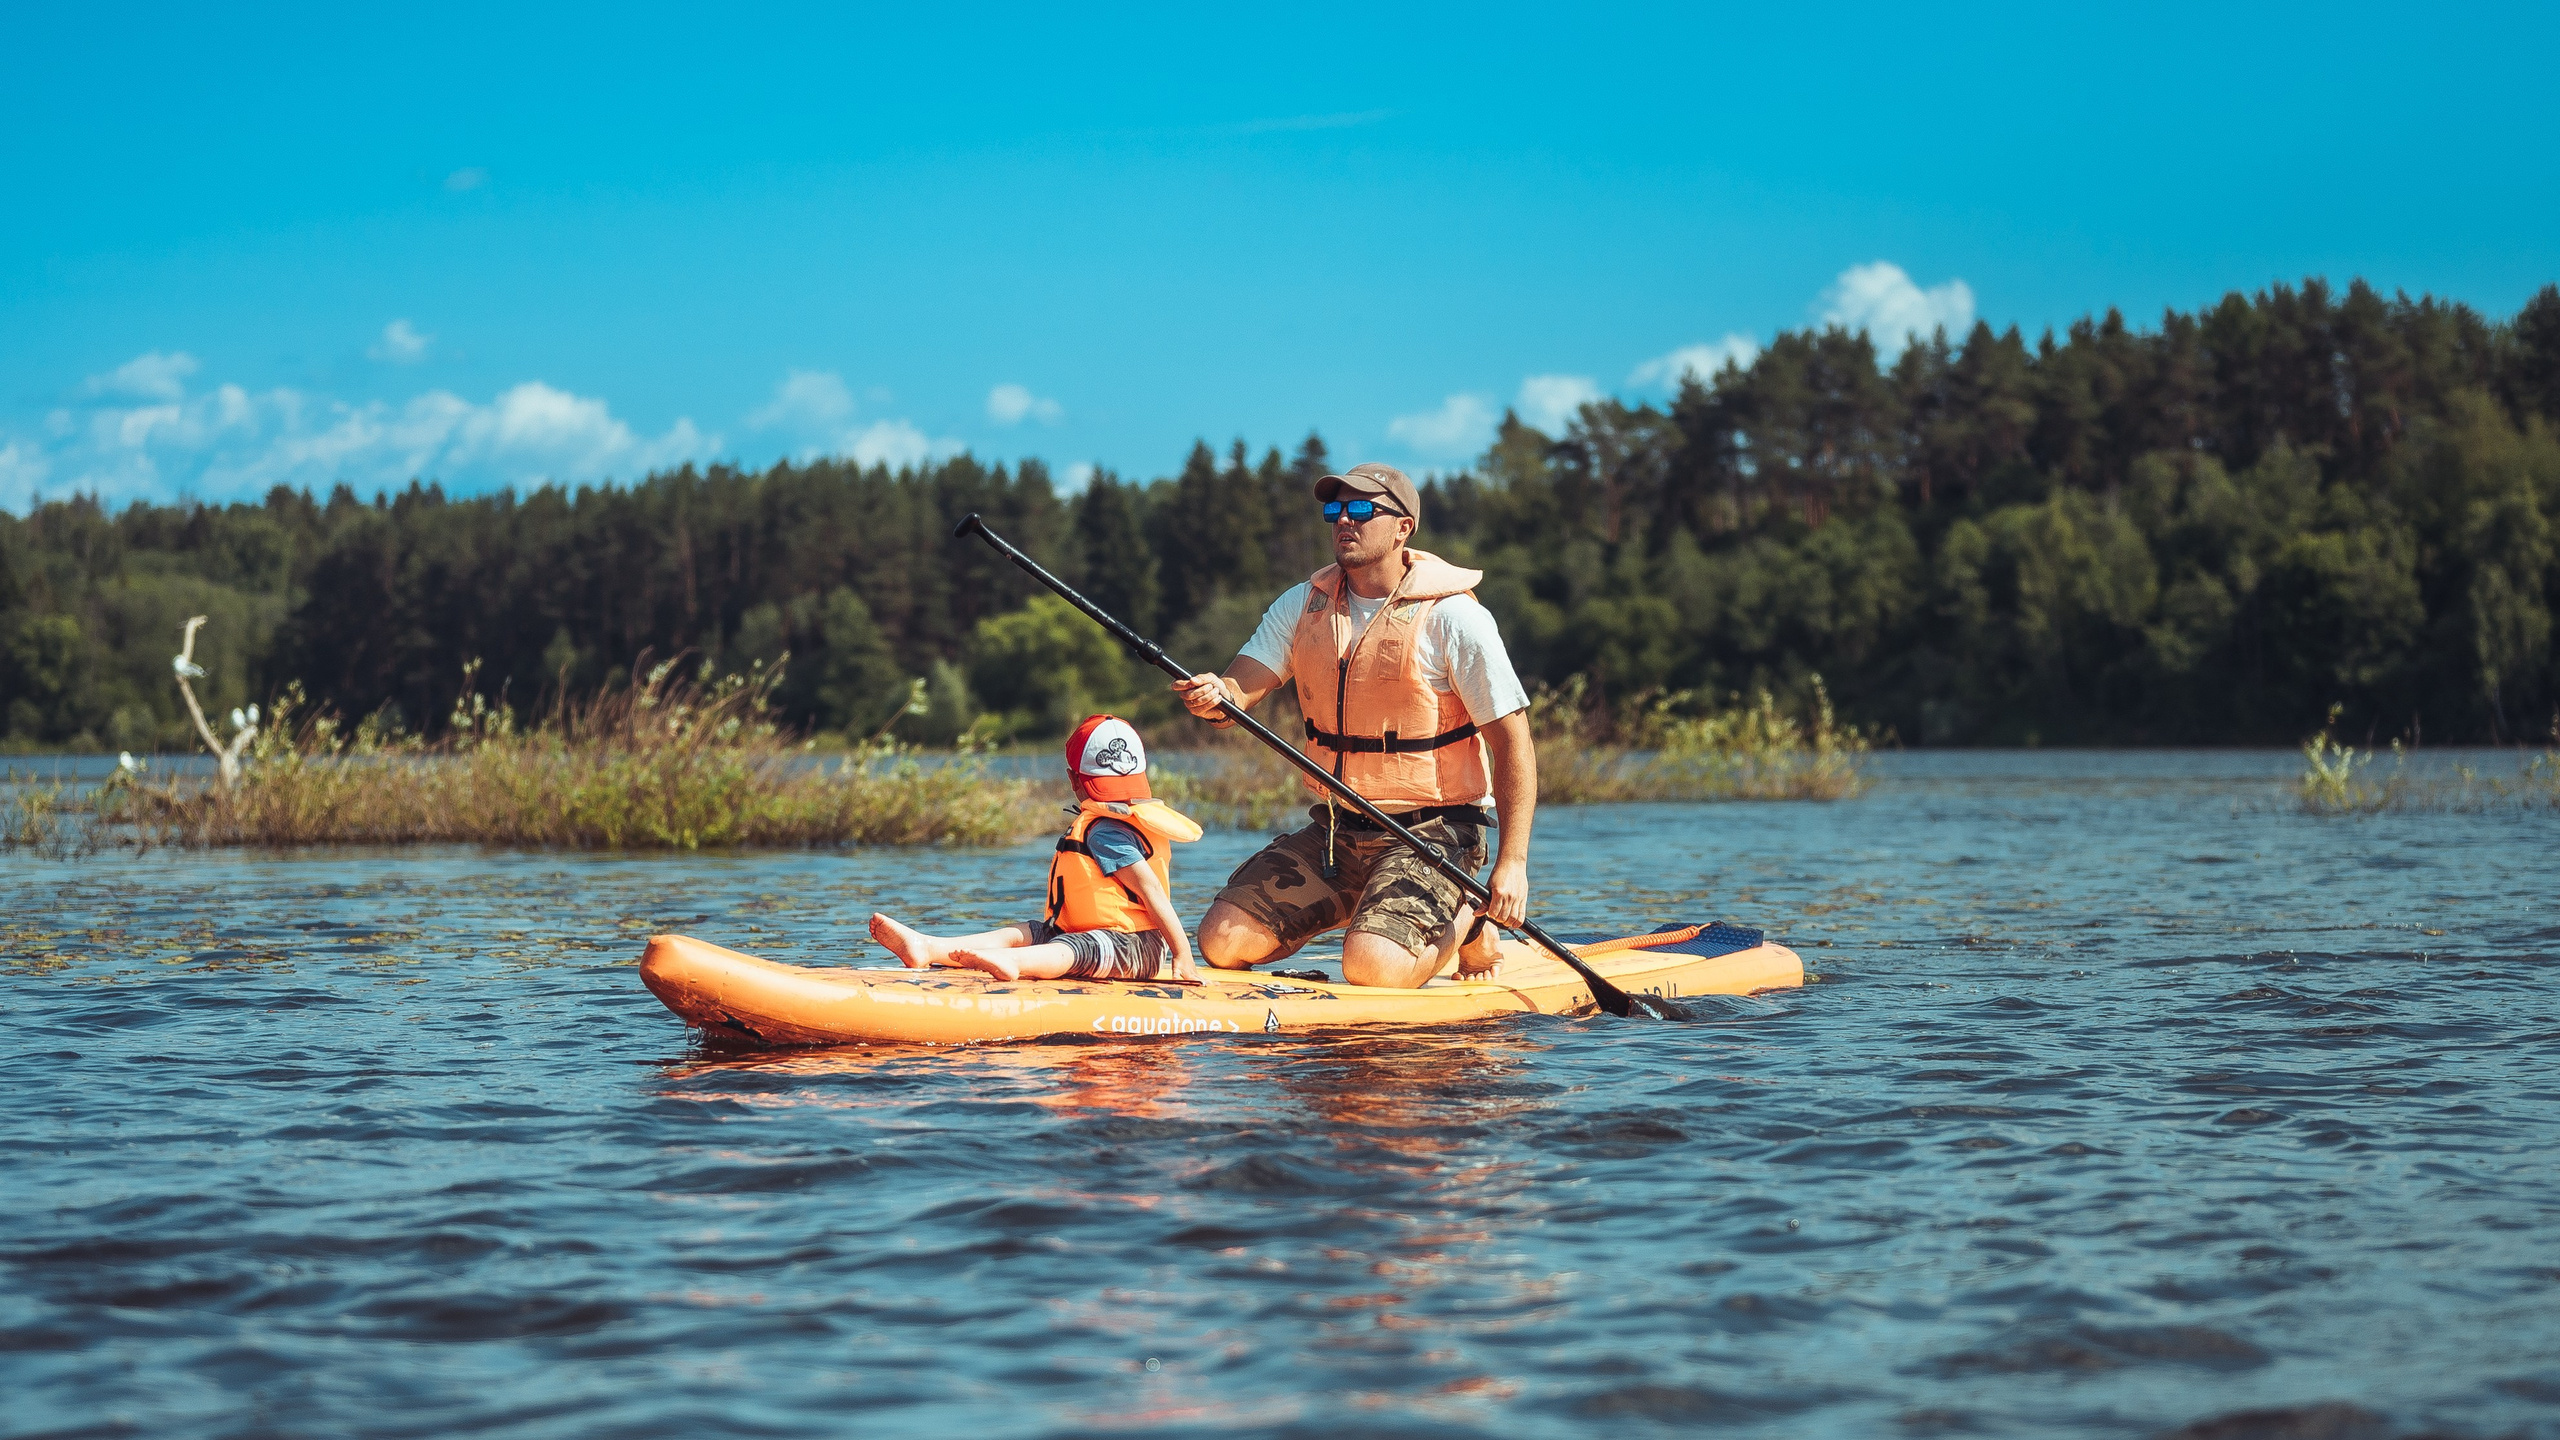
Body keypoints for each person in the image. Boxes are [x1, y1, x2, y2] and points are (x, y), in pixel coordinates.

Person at [1172, 461, 1532, 988]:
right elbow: (1239, 690)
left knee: (1370, 969)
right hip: (1338, 831)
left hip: (1433, 835)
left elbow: (1514, 745)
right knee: (1221, 943)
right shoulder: (1302, 605)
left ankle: (1467, 918)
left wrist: (1513, 863)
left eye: (1362, 509)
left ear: (1403, 527)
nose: (1345, 520)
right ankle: (1372, 913)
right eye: (1335, 510)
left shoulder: (1455, 618)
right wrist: (1216, 695)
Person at [868, 715, 1202, 983]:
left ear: (1074, 779)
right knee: (1027, 932)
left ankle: (1013, 964)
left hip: (1135, 948)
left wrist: (1182, 953)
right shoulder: (1103, 825)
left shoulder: (1107, 833)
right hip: (1088, 936)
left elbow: (1151, 890)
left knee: (1071, 947)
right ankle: (929, 947)